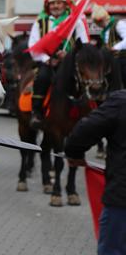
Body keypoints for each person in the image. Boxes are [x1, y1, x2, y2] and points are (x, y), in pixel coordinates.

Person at [65, 90, 126, 254]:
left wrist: (74, 153)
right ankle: (37, 111)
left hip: (121, 201)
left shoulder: (121, 101)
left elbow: (85, 129)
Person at [28, 0, 89, 129]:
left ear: (65, 5)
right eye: (52, 3)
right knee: (42, 78)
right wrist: (47, 60)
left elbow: (84, 44)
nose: (56, 6)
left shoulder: (75, 22)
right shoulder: (40, 23)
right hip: (48, 62)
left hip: (70, 62)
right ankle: (37, 112)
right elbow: (33, 46)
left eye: (59, 3)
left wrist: (69, 55)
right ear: (48, 6)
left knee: (85, 80)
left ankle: (88, 112)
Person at [91, 4, 126, 84]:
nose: (99, 24)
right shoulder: (104, 31)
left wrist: (115, 47)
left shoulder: (118, 24)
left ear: (106, 18)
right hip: (112, 63)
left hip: (123, 60)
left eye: (100, 21)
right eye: (97, 22)